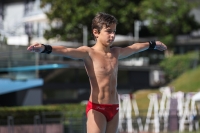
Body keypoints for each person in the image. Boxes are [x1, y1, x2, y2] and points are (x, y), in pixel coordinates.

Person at [27, 12, 167, 133]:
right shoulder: (89, 53)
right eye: (108, 31)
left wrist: (153, 44)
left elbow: (135, 47)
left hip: (115, 107)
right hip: (97, 108)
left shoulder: (116, 52)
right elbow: (66, 50)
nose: (112, 35)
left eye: (114, 31)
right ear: (96, 32)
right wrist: (45, 48)